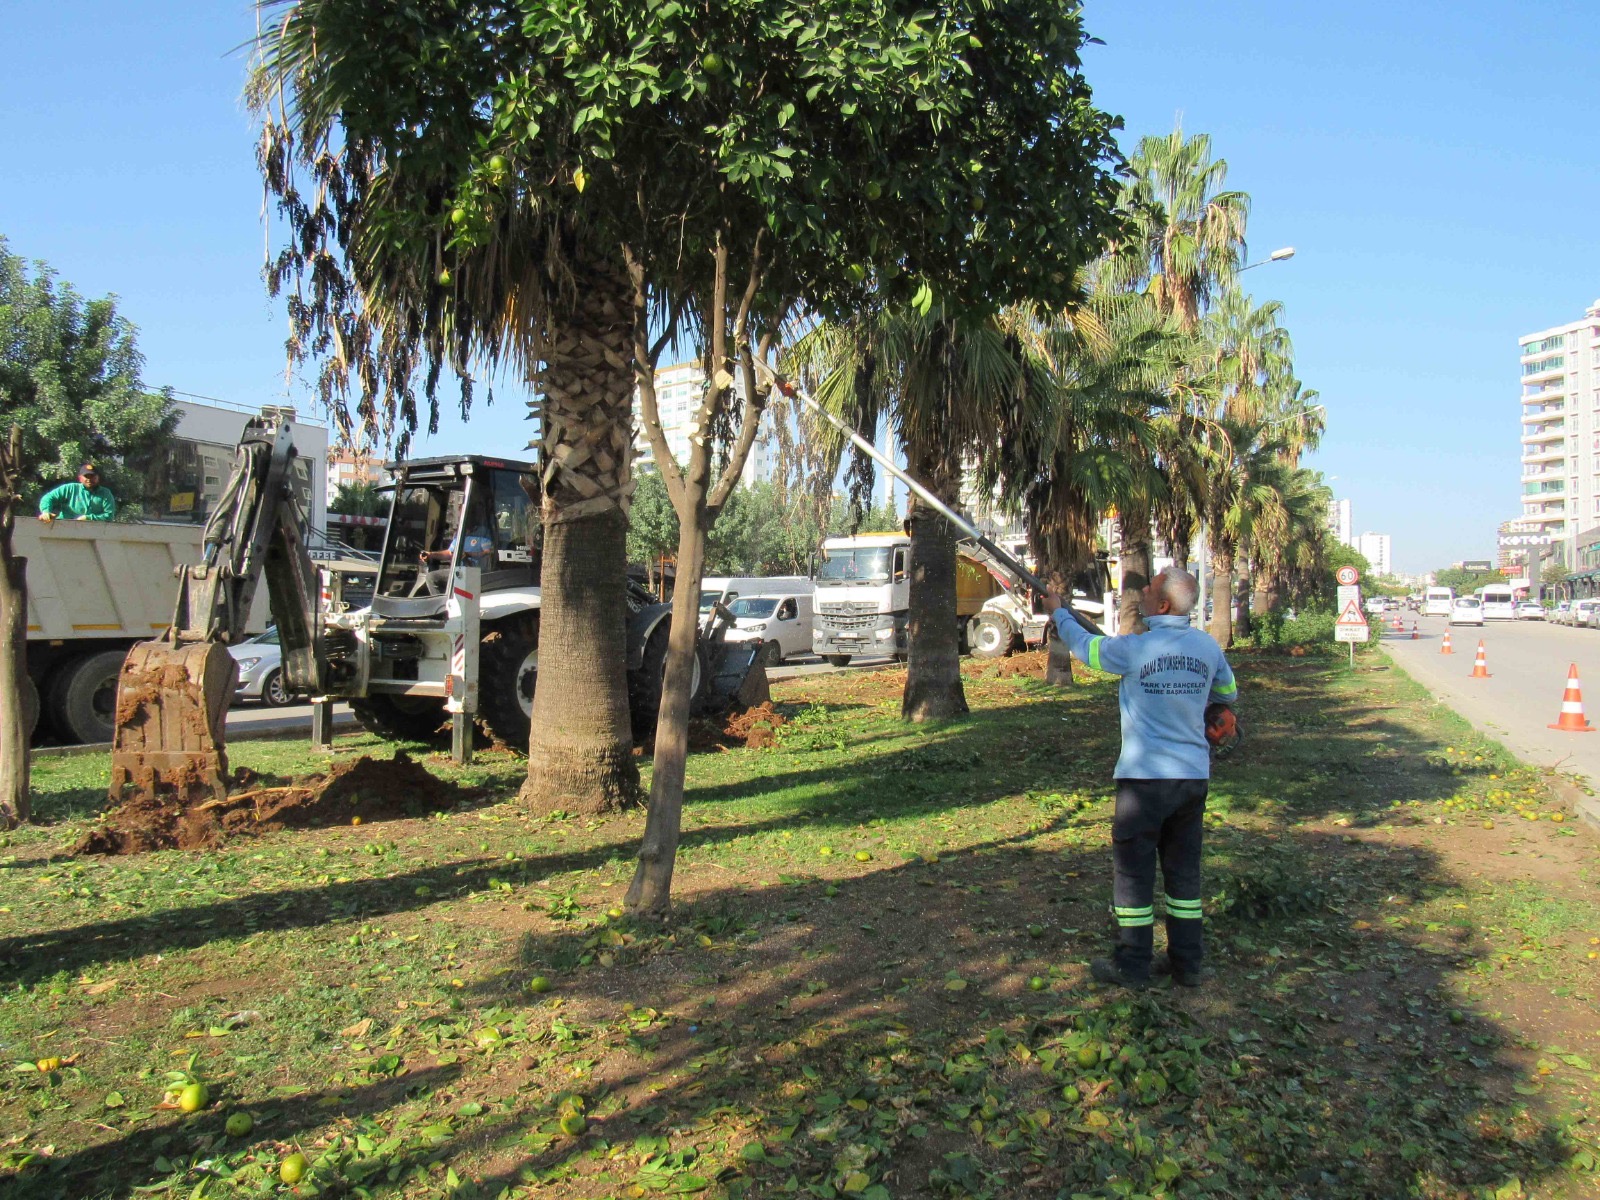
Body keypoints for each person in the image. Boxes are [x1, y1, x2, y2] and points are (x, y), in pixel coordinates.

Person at [1042, 566, 1236, 989]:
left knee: (1134, 876)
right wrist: (1212, 712)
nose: (1143, 591)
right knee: (1183, 874)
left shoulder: (1134, 650)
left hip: (1144, 783)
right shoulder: (1207, 648)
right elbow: (1227, 694)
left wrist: (1058, 614)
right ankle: (1187, 965)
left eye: (1149, 588)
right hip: (1192, 780)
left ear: (1162, 604)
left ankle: (1132, 966)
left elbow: (1087, 649)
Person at [38, 463, 117, 522]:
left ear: (98, 478)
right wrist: (46, 512)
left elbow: (109, 516)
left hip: (93, 531)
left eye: (92, 476)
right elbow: (48, 498)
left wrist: (89, 518)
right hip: (64, 528)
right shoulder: (70, 488)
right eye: (86, 476)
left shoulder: (105, 493)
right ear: (80, 478)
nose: (89, 479)